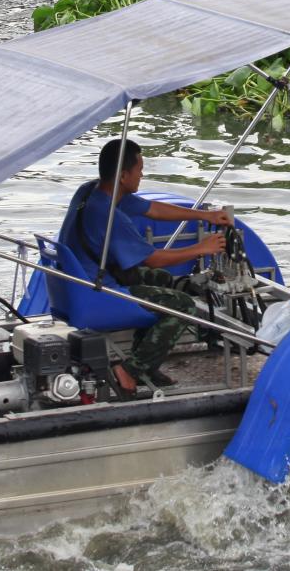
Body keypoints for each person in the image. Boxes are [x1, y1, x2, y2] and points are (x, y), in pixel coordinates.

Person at [63, 139, 234, 393]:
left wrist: (204, 215)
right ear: (123, 175)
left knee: (161, 279)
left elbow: (152, 209)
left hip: (76, 285)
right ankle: (130, 370)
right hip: (97, 294)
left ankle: (146, 365)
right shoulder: (109, 217)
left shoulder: (92, 192)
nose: (142, 174)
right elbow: (152, 257)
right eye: (139, 169)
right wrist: (202, 248)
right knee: (181, 305)